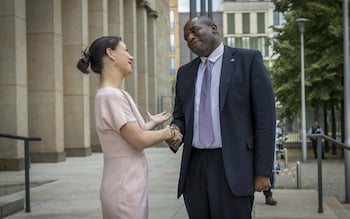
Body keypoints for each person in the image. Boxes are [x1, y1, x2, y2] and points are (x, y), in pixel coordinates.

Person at [166, 16, 276, 219]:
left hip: (234, 166)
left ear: (214, 28)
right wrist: (176, 130)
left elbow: (265, 120)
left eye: (194, 31)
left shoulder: (248, 61)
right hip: (195, 167)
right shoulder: (185, 73)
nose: (190, 38)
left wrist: (263, 171)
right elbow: (180, 116)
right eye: (186, 37)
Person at [76, 36, 176, 219]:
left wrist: (149, 125)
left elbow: (127, 136)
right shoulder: (112, 95)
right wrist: (169, 131)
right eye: (126, 50)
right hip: (124, 186)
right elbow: (138, 140)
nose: (131, 57)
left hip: (126, 183)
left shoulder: (111, 94)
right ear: (110, 53)